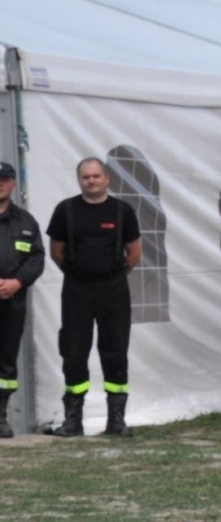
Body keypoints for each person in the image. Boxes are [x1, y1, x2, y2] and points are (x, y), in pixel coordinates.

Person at [45, 157, 141, 438]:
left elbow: (134, 255)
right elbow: (56, 253)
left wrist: (110, 275)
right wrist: (81, 273)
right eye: (86, 177)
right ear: (79, 180)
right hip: (76, 289)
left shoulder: (123, 211)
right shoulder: (66, 210)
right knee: (73, 352)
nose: (92, 181)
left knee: (115, 352)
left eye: (96, 176)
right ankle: (73, 421)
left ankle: (116, 421)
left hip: (113, 289)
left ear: (107, 178)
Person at [0, 161, 44, 438]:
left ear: (13, 183)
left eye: (4, 179)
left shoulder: (27, 223)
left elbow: (37, 258)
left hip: (12, 302)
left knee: (5, 361)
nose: (0, 183)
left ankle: (0, 417)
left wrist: (17, 282)